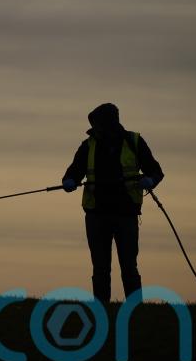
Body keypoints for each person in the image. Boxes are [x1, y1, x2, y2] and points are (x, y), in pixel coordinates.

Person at [62, 103, 164, 303]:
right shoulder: (88, 145)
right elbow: (73, 171)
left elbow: (156, 171)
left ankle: (134, 307)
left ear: (108, 122)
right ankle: (101, 308)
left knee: (129, 266)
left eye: (97, 123)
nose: (95, 127)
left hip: (125, 214)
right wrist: (69, 181)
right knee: (100, 267)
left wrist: (151, 180)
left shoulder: (134, 141)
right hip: (96, 214)